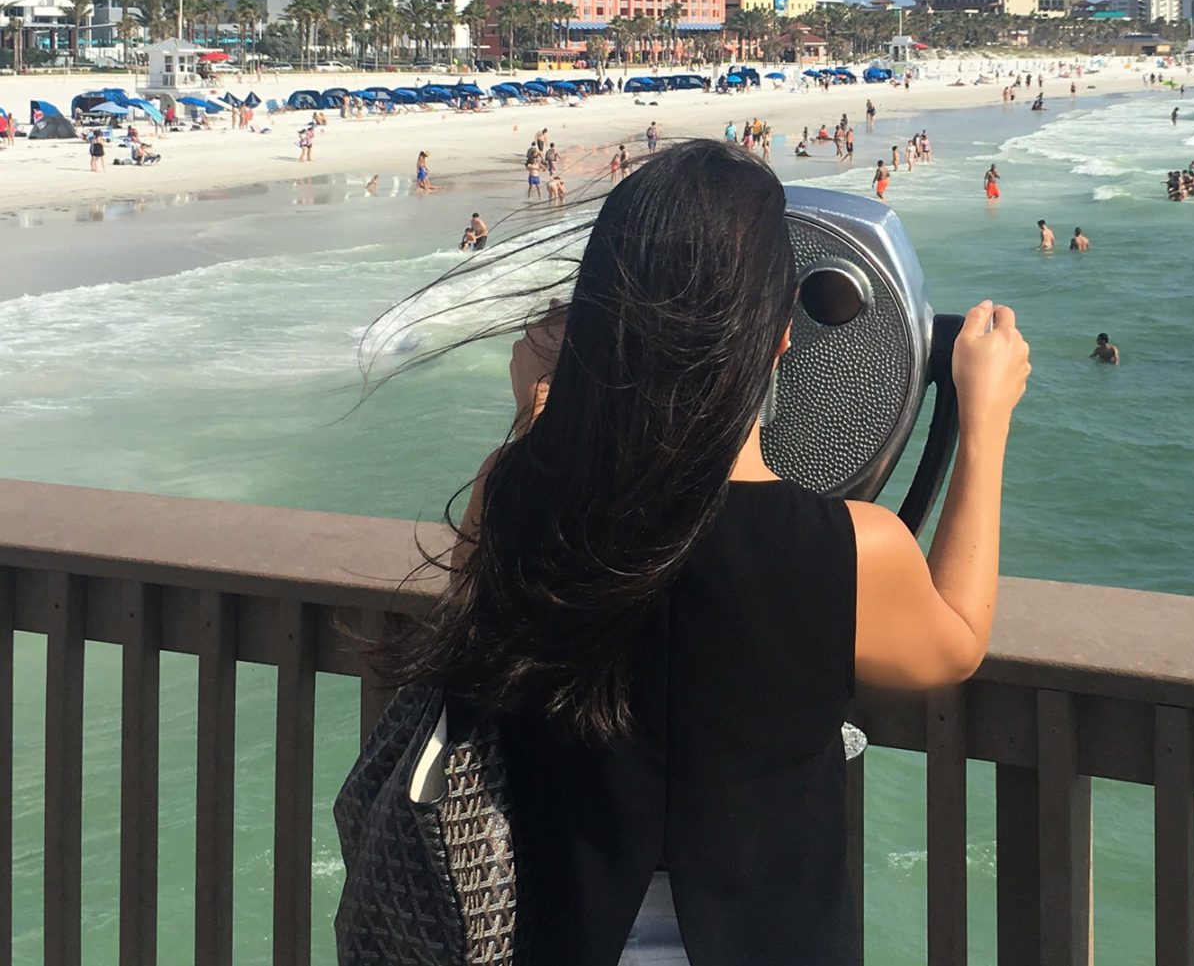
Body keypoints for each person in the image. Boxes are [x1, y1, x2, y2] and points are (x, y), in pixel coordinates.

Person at [361, 140, 1030, 965]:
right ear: (780, 334)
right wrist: (984, 420)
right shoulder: (850, 546)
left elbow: (483, 611)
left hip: (557, 936)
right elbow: (955, 641)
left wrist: (540, 418)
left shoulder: (515, 495)